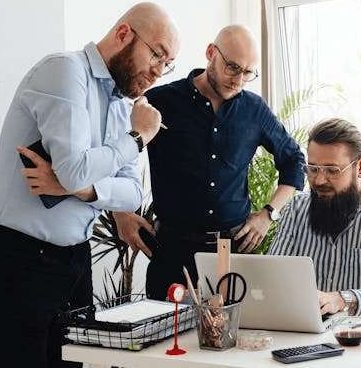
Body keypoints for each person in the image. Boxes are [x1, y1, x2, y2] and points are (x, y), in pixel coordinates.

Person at [0, 2, 180, 368]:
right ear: (123, 34)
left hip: (76, 260)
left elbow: (131, 193)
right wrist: (137, 137)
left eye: (167, 63)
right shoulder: (64, 71)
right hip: (19, 259)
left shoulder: (122, 106)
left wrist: (82, 190)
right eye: (157, 54)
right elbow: (75, 170)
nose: (159, 71)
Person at [113, 24, 306, 300]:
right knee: (167, 329)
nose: (238, 80)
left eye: (247, 73)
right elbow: (114, 151)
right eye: (233, 67)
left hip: (234, 253)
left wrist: (268, 214)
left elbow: (295, 162)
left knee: (235, 329)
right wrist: (119, 214)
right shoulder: (159, 102)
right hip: (171, 253)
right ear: (210, 52)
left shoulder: (255, 109)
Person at [268, 118, 361, 317]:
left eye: (332, 170)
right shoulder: (296, 208)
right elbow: (273, 276)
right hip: (305, 328)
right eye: (313, 168)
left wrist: (342, 299)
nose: (319, 180)